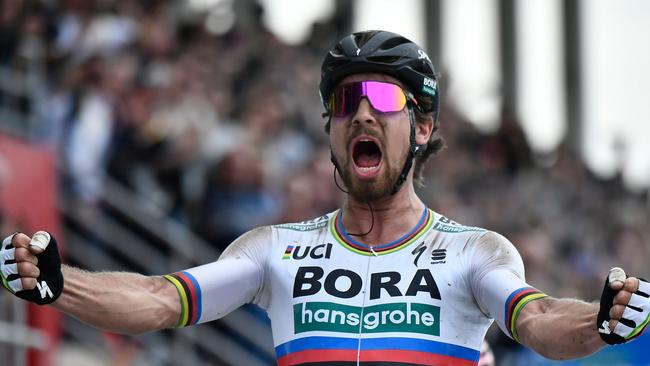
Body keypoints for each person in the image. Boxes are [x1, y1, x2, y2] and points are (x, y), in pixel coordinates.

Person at [1, 30, 649, 366]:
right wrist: (63, 283)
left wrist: (599, 322)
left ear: (423, 129)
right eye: (346, 102)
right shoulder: (275, 249)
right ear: (330, 131)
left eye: (386, 100)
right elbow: (159, 299)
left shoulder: (475, 252)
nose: (363, 115)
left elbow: (537, 321)